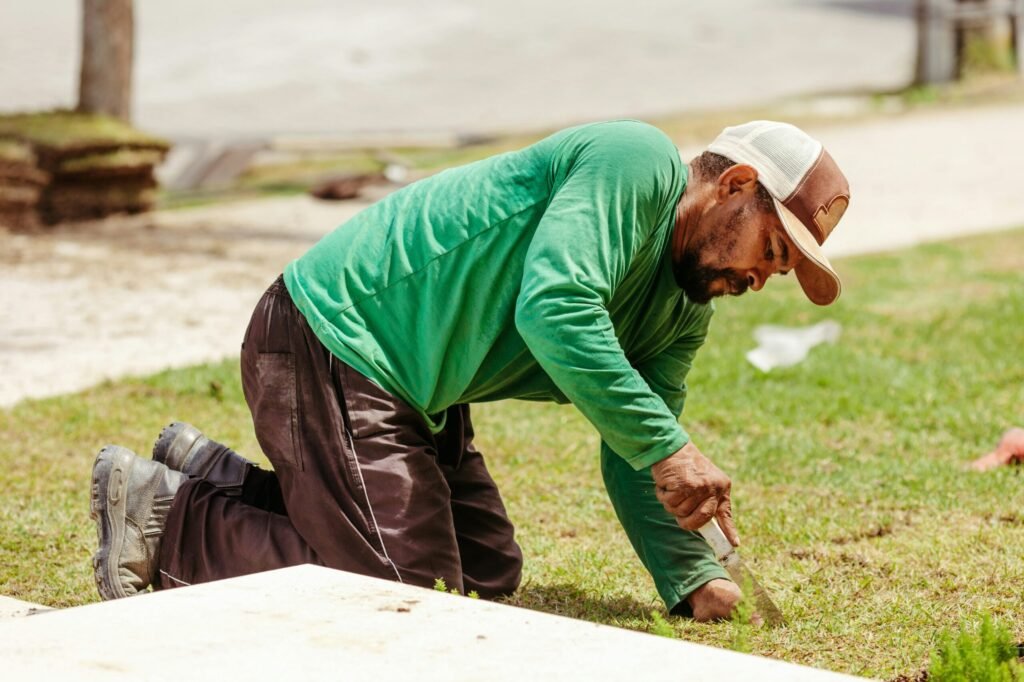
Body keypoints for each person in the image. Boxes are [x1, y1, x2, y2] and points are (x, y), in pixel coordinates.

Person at [89, 120, 851, 621]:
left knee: (486, 574)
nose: (760, 279)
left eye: (778, 272)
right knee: (413, 596)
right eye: (770, 250)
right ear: (735, 185)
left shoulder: (684, 308)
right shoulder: (636, 162)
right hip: (334, 338)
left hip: (417, 391)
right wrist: (671, 448)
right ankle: (172, 522)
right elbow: (554, 307)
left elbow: (638, 449)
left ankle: (215, 478)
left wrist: (694, 578)